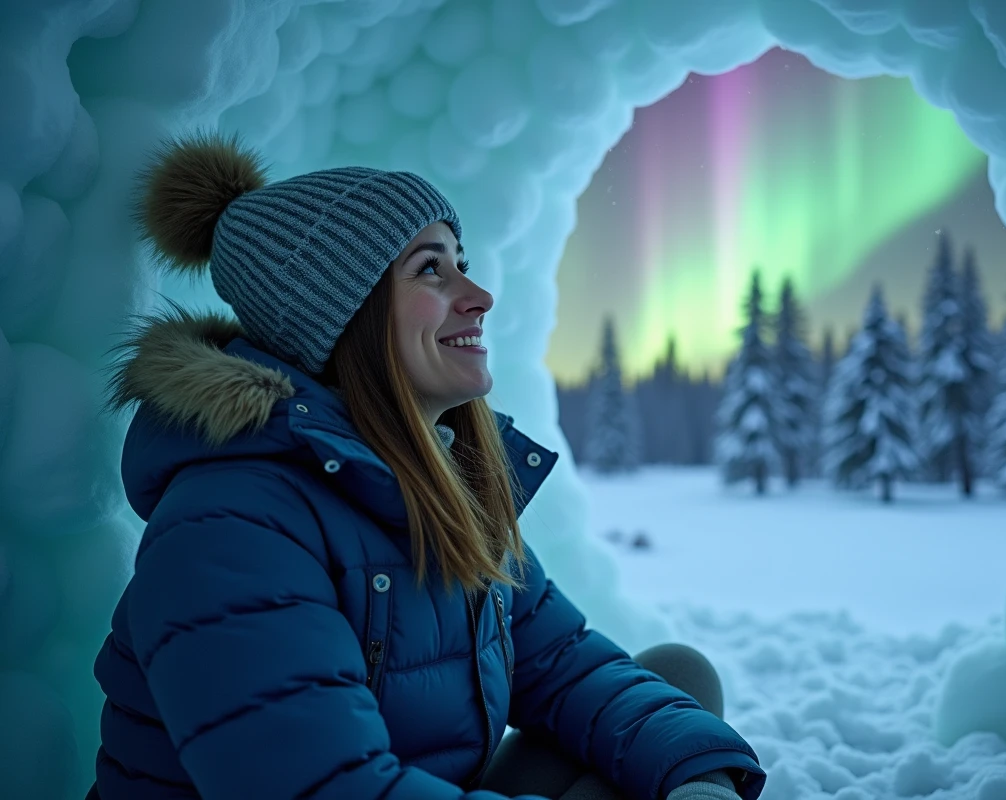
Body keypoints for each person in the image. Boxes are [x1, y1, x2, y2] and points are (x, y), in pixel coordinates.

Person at [85, 132, 766, 800]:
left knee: (677, 691)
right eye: (432, 269)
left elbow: (561, 666)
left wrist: (699, 782)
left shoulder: (430, 483)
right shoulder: (232, 524)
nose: (479, 296)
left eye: (461, 263)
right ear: (341, 316)